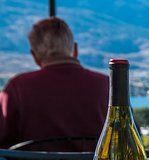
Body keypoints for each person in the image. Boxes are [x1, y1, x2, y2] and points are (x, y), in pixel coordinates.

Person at [0, 17, 108, 150]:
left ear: (34, 56)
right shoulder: (107, 85)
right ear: (75, 50)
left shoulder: (17, 87)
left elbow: (4, 143)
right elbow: (129, 138)